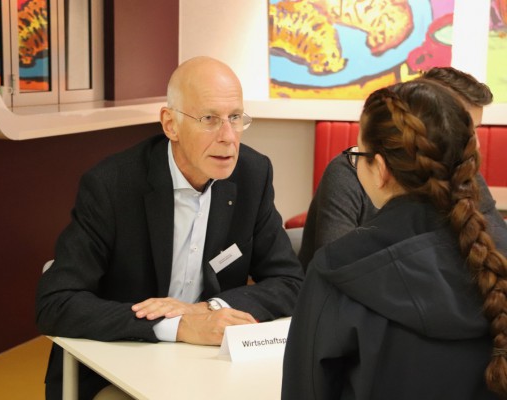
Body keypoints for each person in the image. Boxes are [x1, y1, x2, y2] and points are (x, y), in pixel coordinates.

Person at [35, 56, 304, 399]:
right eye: (209, 119)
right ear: (170, 124)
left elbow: (290, 282)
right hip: (119, 361)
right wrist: (177, 325)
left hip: (207, 365)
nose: (228, 137)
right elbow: (56, 303)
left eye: (235, 118)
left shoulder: (253, 174)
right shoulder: (112, 185)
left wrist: (209, 309)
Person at [282, 79, 507, 399]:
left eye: (359, 154)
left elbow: (306, 390)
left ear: (381, 169)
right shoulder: (495, 259)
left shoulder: (337, 271)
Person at [297, 67, 505, 269]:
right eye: (462, 130)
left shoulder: (463, 174)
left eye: (474, 130)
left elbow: (498, 246)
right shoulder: (348, 173)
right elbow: (337, 268)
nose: (475, 144)